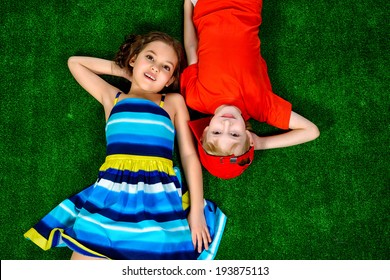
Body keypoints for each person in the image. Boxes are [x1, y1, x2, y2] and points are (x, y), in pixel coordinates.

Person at [24, 31, 226, 260]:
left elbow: (189, 155)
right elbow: (75, 63)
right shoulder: (113, 97)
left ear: (169, 81)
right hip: (111, 194)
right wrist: (126, 71)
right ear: (133, 59)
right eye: (149, 58)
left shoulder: (172, 102)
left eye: (166, 67)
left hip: (158, 196)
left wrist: (197, 211)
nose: (156, 68)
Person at [181, 0, 320, 179]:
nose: (226, 124)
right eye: (234, 134)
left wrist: (187, 6)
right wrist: (261, 143)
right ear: (248, 136)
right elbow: (311, 131)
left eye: (216, 132)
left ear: (205, 132)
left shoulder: (196, 98)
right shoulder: (260, 106)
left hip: (204, 5)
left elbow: (191, 48)